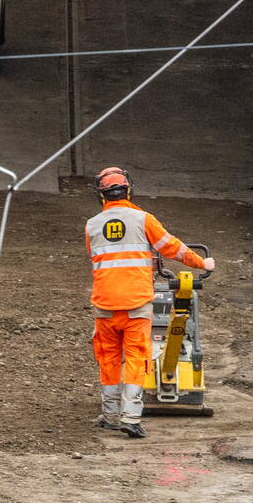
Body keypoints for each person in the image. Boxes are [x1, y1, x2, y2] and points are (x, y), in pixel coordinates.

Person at [87, 167, 213, 439]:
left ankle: (109, 414)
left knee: (108, 358)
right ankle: (130, 418)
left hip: (105, 303)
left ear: (101, 195)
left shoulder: (92, 225)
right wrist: (203, 262)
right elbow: (173, 248)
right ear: (128, 190)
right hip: (135, 304)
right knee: (135, 358)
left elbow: (99, 258)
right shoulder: (144, 219)